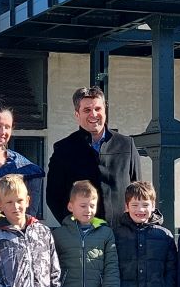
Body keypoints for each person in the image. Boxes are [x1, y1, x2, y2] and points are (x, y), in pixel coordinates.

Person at [45, 85, 143, 226]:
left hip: (122, 232)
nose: (94, 114)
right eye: (87, 110)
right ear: (77, 114)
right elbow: (54, 196)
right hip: (83, 233)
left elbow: (137, 190)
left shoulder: (126, 145)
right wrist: (74, 227)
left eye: (98, 109)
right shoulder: (63, 149)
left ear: (105, 111)